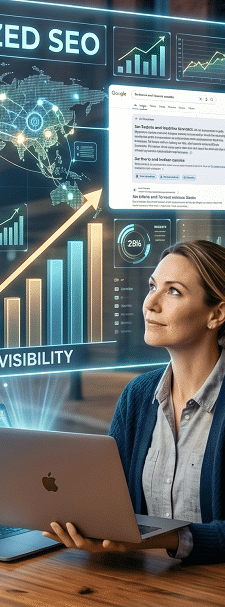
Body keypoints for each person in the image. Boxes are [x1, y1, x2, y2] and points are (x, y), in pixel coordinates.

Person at [44, 240, 225, 563]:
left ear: (217, 313)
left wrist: (160, 539)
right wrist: (92, 529)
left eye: (174, 292)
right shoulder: (139, 394)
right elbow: (111, 500)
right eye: (152, 287)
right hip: (142, 584)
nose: (150, 304)